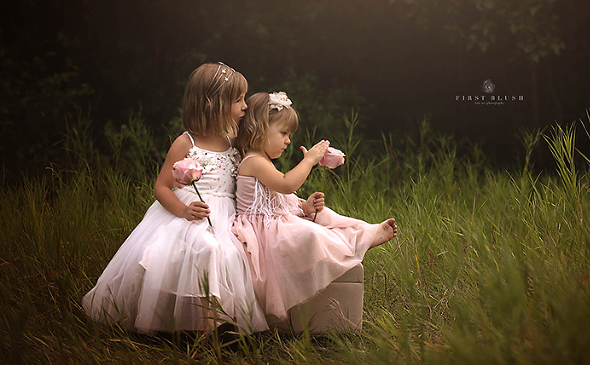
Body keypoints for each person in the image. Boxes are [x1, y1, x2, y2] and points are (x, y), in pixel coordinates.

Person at [82, 63, 267, 334]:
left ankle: (217, 322)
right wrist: (183, 210)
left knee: (227, 254)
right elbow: (162, 187)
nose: (245, 106)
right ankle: (207, 326)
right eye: (238, 100)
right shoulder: (186, 143)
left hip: (224, 217)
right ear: (212, 104)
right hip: (189, 214)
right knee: (205, 249)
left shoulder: (234, 140)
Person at [232, 91, 397, 327]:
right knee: (308, 234)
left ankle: (363, 236)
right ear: (259, 128)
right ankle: (356, 241)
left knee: (324, 215)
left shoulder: (263, 160)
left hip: (274, 221)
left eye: (289, 135)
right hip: (261, 231)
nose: (288, 140)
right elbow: (288, 183)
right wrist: (309, 160)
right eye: (283, 133)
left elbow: (279, 195)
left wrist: (304, 205)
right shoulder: (254, 161)